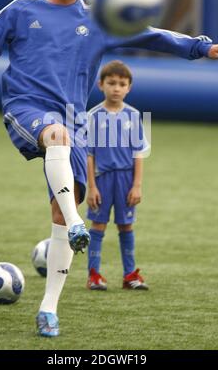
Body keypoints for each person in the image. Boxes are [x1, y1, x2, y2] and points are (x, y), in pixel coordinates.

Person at [0, 0, 218, 336]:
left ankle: (48, 308)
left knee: (60, 206)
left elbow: (152, 36)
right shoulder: (20, 10)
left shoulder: (98, 21)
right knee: (57, 139)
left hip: (72, 121)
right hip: (26, 109)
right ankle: (77, 221)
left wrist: (201, 46)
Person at [86, 60, 149, 291]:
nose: (116, 88)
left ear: (129, 87)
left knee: (126, 226)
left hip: (125, 180)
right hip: (102, 179)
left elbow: (138, 153)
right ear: (100, 84)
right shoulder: (92, 116)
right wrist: (91, 187)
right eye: (111, 83)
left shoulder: (133, 116)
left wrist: (137, 185)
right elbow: (89, 155)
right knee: (98, 225)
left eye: (122, 84)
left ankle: (129, 275)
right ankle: (94, 274)